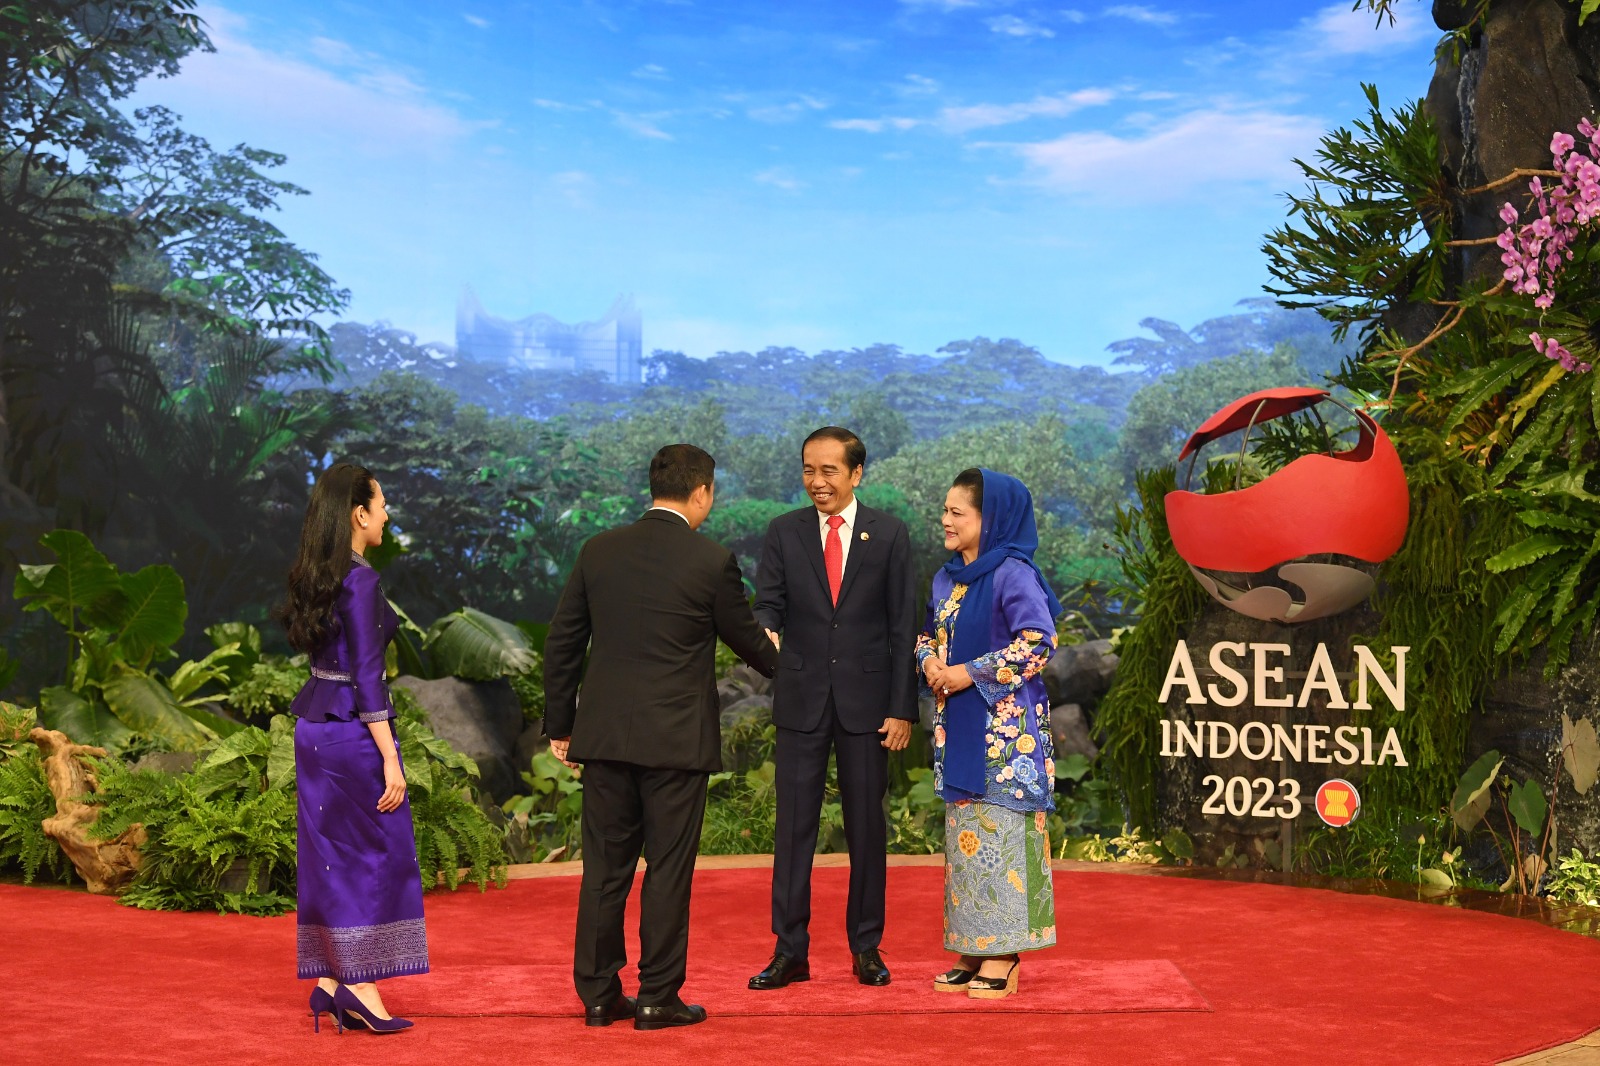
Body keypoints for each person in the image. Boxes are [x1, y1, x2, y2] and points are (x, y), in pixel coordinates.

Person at [543, 443, 779, 1031]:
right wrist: (791, 654)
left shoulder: (598, 551)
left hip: (603, 741)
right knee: (667, 870)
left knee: (604, 872)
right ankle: (656, 998)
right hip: (674, 745)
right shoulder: (711, 561)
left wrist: (561, 727)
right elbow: (752, 645)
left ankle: (598, 997)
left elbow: (562, 644)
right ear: (702, 492)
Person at [748, 426, 917, 991]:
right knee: (794, 829)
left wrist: (902, 709)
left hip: (869, 707)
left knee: (867, 828)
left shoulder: (890, 535)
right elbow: (768, 602)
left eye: (828, 472)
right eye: (808, 470)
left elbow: (903, 627)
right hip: (801, 700)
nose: (816, 482)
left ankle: (867, 946)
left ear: (856, 474)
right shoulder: (783, 532)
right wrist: (766, 632)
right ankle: (789, 949)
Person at [282, 462, 426, 1034]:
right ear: (359, 515)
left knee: (330, 856)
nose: (388, 514)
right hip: (350, 734)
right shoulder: (361, 579)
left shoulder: (315, 573)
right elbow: (369, 679)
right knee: (377, 855)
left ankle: (328, 981)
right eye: (382, 504)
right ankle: (361, 986)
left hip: (314, 730)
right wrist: (391, 756)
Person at [916, 468, 1060, 1000]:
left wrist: (967, 673)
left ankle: (1005, 951)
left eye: (958, 512)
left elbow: (1038, 643)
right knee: (967, 842)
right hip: (959, 731)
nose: (945, 520)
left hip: (1007, 739)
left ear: (990, 518)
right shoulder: (947, 577)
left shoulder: (1014, 574)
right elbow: (927, 633)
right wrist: (929, 659)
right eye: (946, 510)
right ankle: (974, 945)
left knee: (1002, 839)